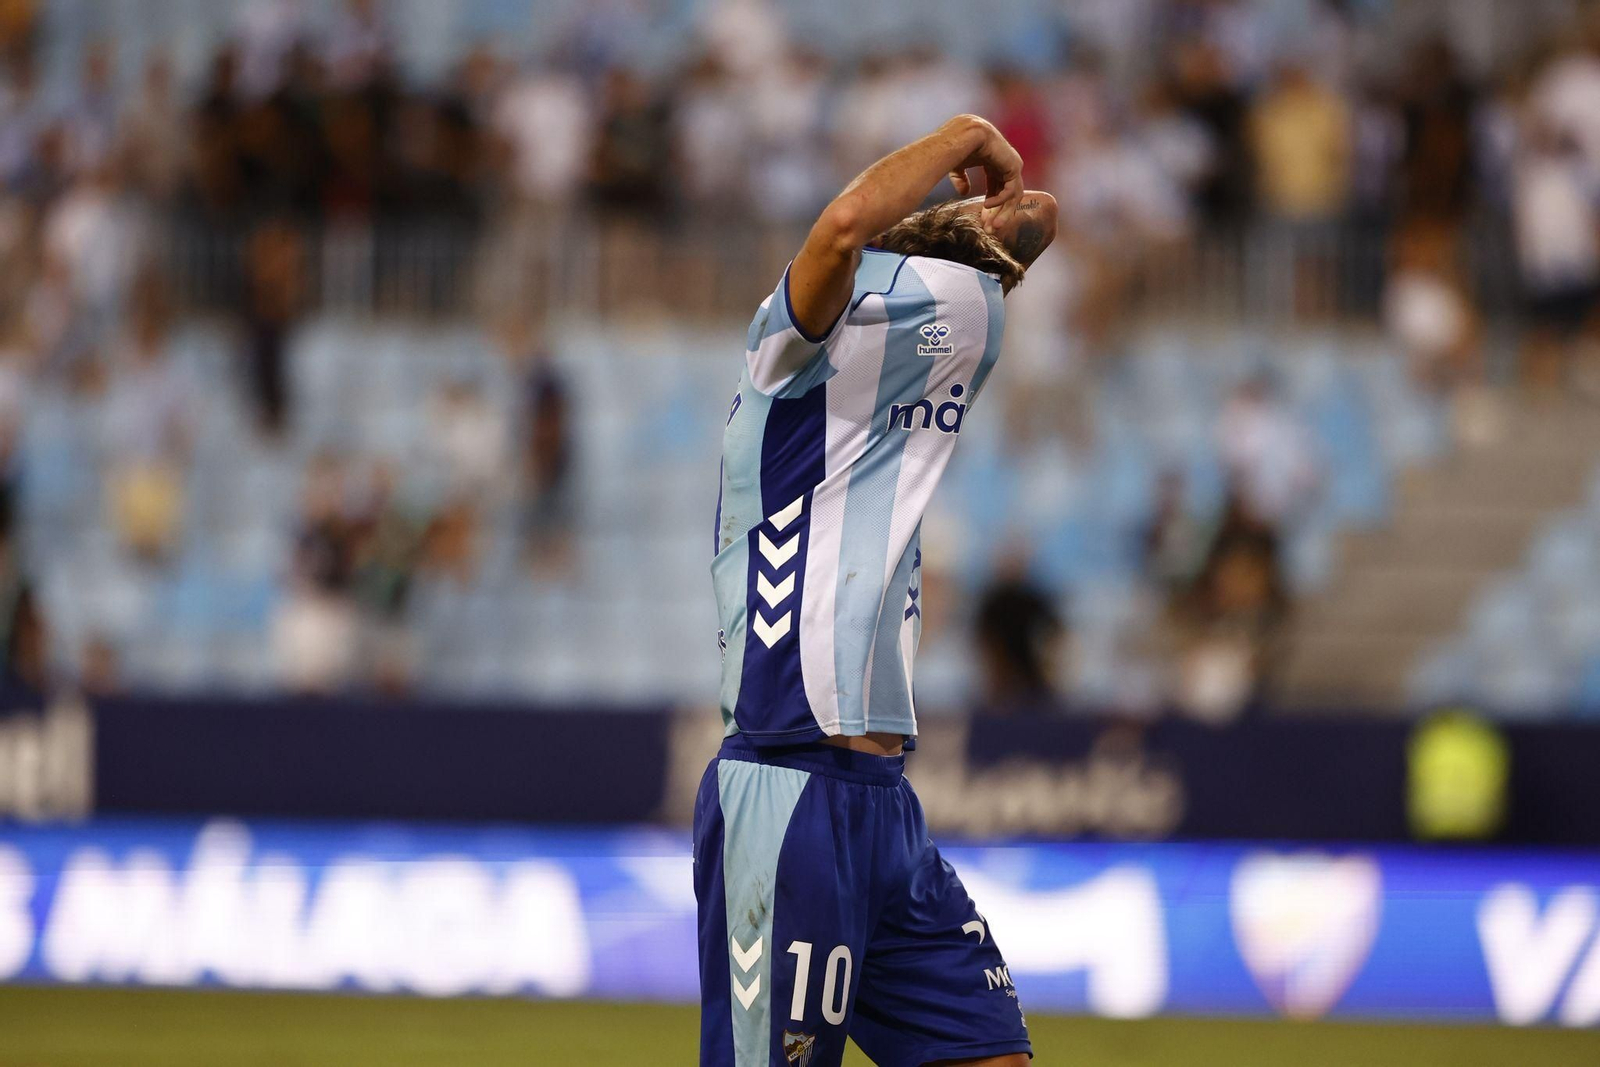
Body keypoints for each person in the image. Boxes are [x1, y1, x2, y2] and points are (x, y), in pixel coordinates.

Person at [696, 114, 1055, 1067]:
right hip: (789, 783)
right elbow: (846, 224)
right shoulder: (785, 360)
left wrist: (962, 223)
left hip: (884, 804)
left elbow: (1038, 222)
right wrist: (967, 138)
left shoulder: (893, 387)